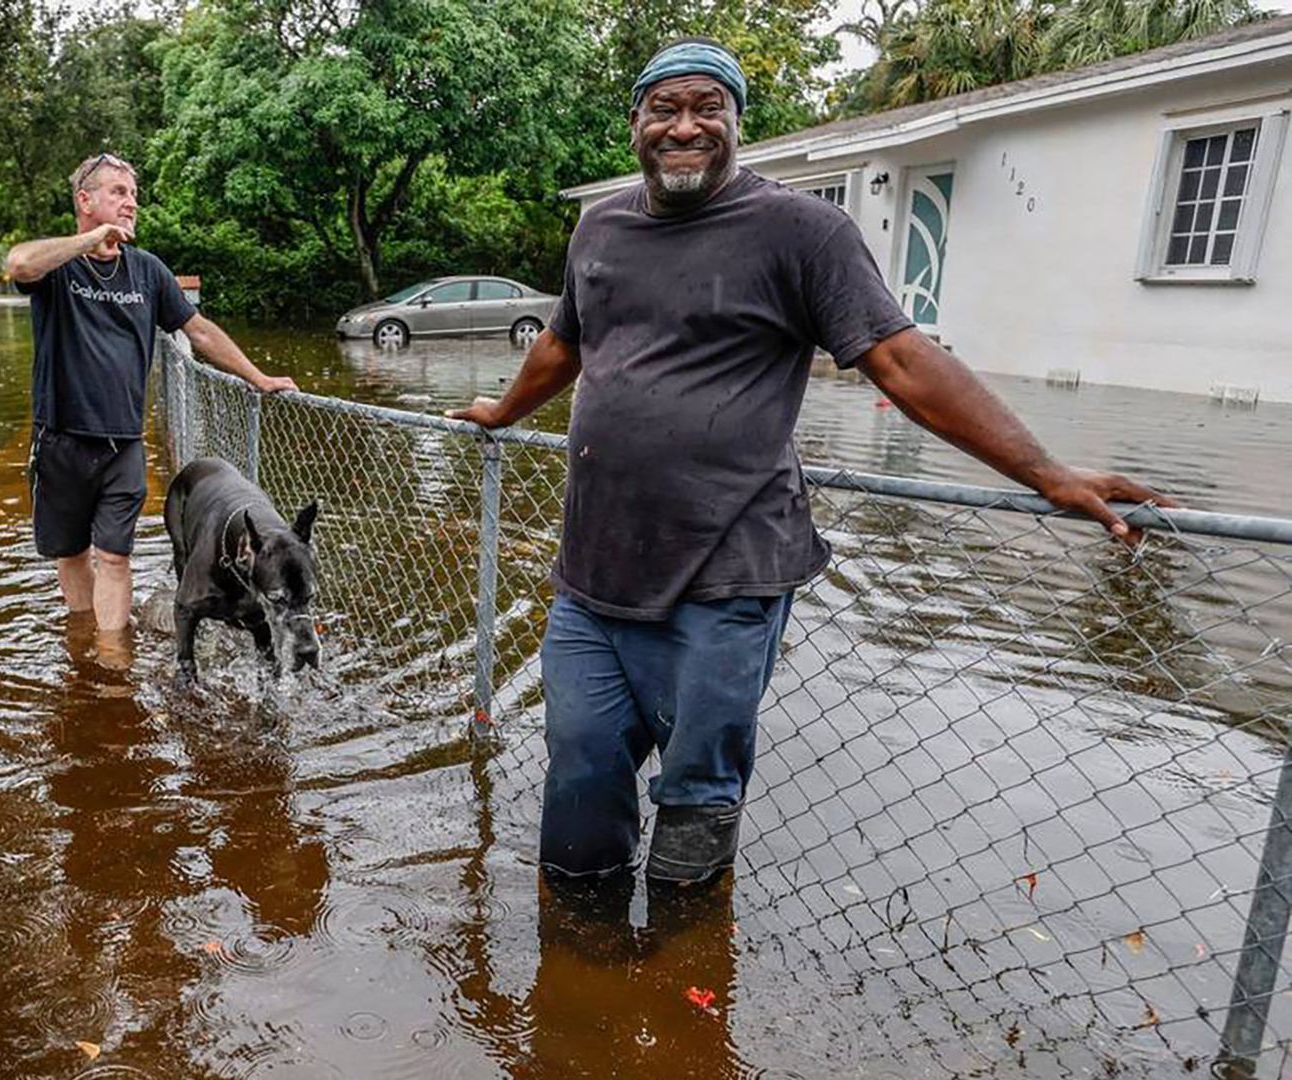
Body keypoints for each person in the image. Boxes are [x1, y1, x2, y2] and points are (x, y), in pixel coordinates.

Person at [448, 40, 1175, 890]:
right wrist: (502, 412)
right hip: (594, 575)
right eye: (665, 108)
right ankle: (586, 963)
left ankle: (685, 957)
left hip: (727, 573)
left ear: (736, 122)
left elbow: (902, 364)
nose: (685, 126)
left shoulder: (803, 232)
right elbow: (563, 343)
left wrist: (1047, 473)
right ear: (636, 122)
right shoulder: (599, 228)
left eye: (707, 108)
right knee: (576, 778)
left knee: (696, 794)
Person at [5, 152, 298, 636]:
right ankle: (84, 646)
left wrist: (258, 377)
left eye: (133, 194)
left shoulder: (147, 272)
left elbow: (199, 332)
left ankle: (112, 660)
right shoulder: (59, 269)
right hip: (60, 440)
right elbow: (18, 262)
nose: (130, 203)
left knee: (116, 557)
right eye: (118, 192)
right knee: (72, 553)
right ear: (85, 200)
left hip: (124, 442)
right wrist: (89, 241)